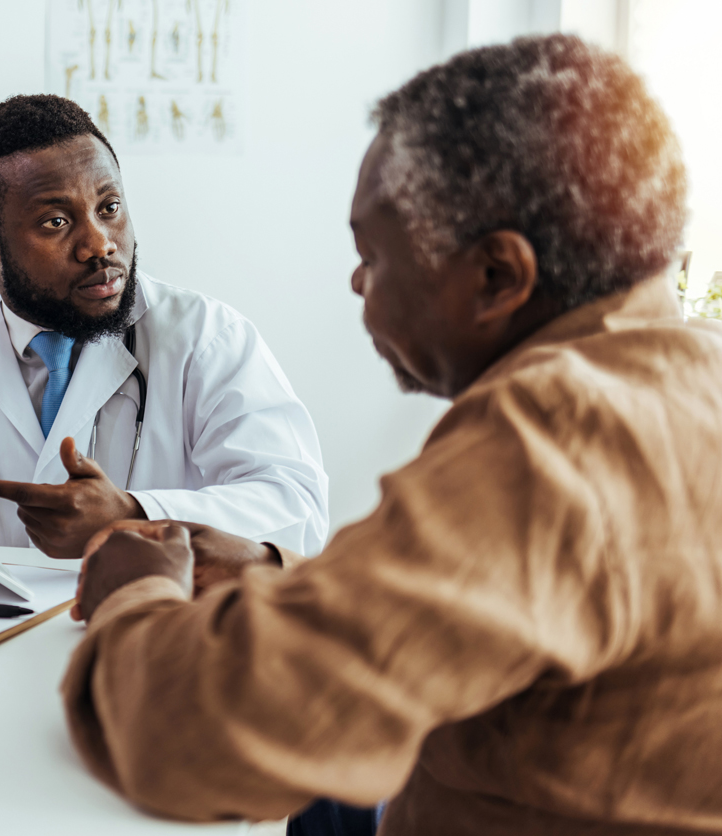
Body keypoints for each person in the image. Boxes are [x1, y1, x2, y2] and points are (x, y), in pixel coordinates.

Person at [61, 34, 720, 835]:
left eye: (371, 254)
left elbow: (200, 732)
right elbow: (519, 599)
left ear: (496, 278)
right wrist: (275, 570)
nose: (355, 281)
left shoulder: (555, 435)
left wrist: (136, 588)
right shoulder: (690, 377)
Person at [0, 94, 328, 560]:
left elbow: (295, 505)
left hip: (143, 635)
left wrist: (135, 514)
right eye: (57, 221)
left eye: (110, 207)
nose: (100, 244)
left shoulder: (207, 337)